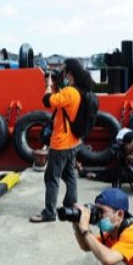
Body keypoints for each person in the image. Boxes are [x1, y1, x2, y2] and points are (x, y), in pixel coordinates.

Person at [30, 58, 91, 223]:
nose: (62, 74)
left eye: (63, 71)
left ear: (69, 73)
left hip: (61, 143)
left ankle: (49, 213)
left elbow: (47, 101)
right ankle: (71, 204)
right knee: (69, 174)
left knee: (51, 177)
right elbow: (60, 102)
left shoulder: (70, 93)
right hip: (73, 141)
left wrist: (48, 85)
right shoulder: (77, 91)